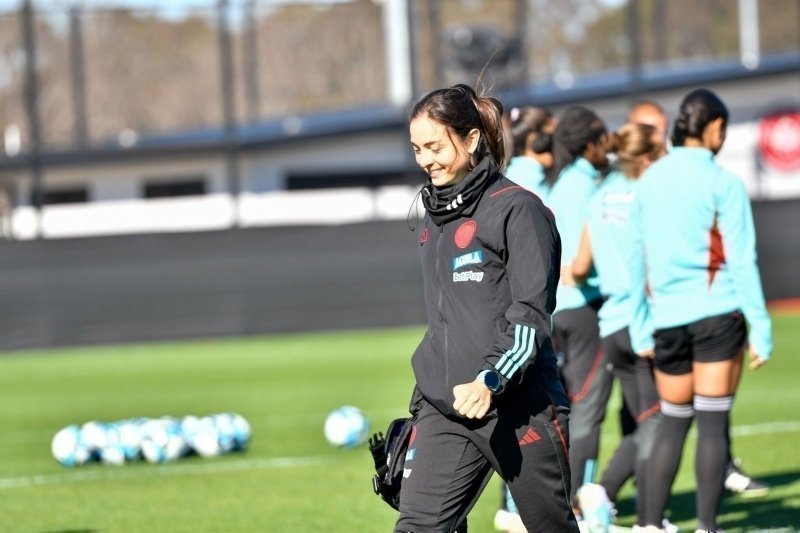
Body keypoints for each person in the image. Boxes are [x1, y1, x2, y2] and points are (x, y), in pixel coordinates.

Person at [396, 82, 578, 532]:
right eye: (417, 149)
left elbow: (530, 315)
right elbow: (445, 319)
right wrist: (426, 394)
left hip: (518, 406)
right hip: (445, 408)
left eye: (435, 146)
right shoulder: (432, 216)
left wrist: (489, 379)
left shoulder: (519, 210)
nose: (425, 160)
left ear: (472, 139)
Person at [628, 88, 773, 532]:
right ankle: (708, 528)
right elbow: (741, 257)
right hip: (716, 314)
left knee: (673, 423)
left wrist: (640, 326)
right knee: (712, 424)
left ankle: (649, 525)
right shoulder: (723, 182)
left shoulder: (649, 178)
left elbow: (637, 256)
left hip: (666, 321)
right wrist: (761, 327)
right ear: (714, 128)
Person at [562, 122, 666, 530]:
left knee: (646, 417)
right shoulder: (649, 196)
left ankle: (618, 502)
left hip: (610, 323)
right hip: (645, 323)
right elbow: (653, 263)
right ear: (646, 158)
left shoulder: (600, 195)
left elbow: (582, 267)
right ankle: (607, 494)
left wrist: (570, 273)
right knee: (659, 418)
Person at [543, 106, 615, 519]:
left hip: (558, 311)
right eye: (603, 135)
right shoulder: (590, 187)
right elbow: (597, 250)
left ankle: (554, 500)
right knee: (587, 409)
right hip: (587, 307)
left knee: (564, 408)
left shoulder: (558, 184)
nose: (609, 143)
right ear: (588, 143)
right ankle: (576, 507)